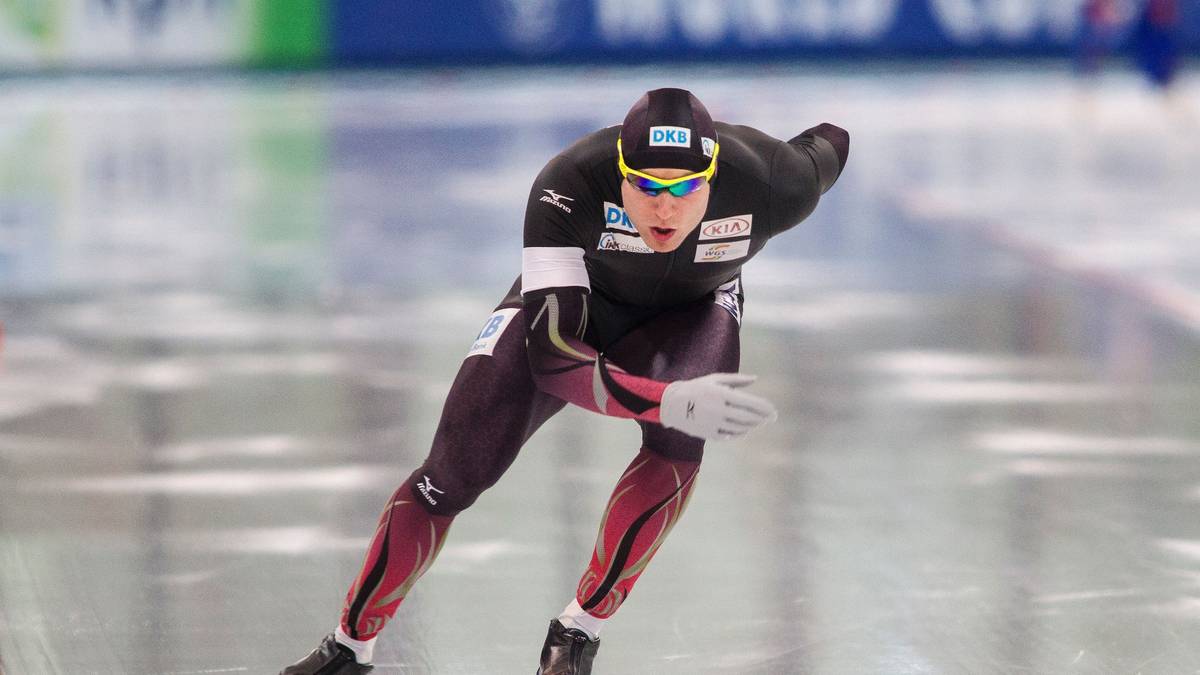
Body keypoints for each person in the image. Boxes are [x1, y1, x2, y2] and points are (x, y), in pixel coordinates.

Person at [280, 87, 848, 675]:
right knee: (450, 476)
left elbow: (832, 142)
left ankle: (579, 631)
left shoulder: (776, 181)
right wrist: (664, 398)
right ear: (619, 174)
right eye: (648, 187)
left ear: (714, 174)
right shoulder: (568, 183)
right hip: (572, 312)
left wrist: (672, 406)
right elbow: (553, 357)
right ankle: (350, 647)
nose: (666, 209)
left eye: (684, 188)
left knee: (680, 443)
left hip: (692, 312)